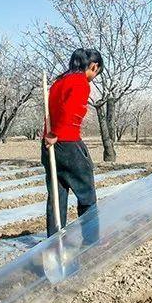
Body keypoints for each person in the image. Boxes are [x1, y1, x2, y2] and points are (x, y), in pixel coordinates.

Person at [43, 48, 103, 242]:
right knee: (86, 193)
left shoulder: (58, 82)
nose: (94, 76)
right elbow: (72, 112)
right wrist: (57, 134)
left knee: (57, 195)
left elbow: (51, 113)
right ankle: (91, 240)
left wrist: (50, 135)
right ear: (93, 66)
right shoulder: (80, 83)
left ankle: (54, 241)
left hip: (49, 147)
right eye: (96, 72)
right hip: (68, 144)